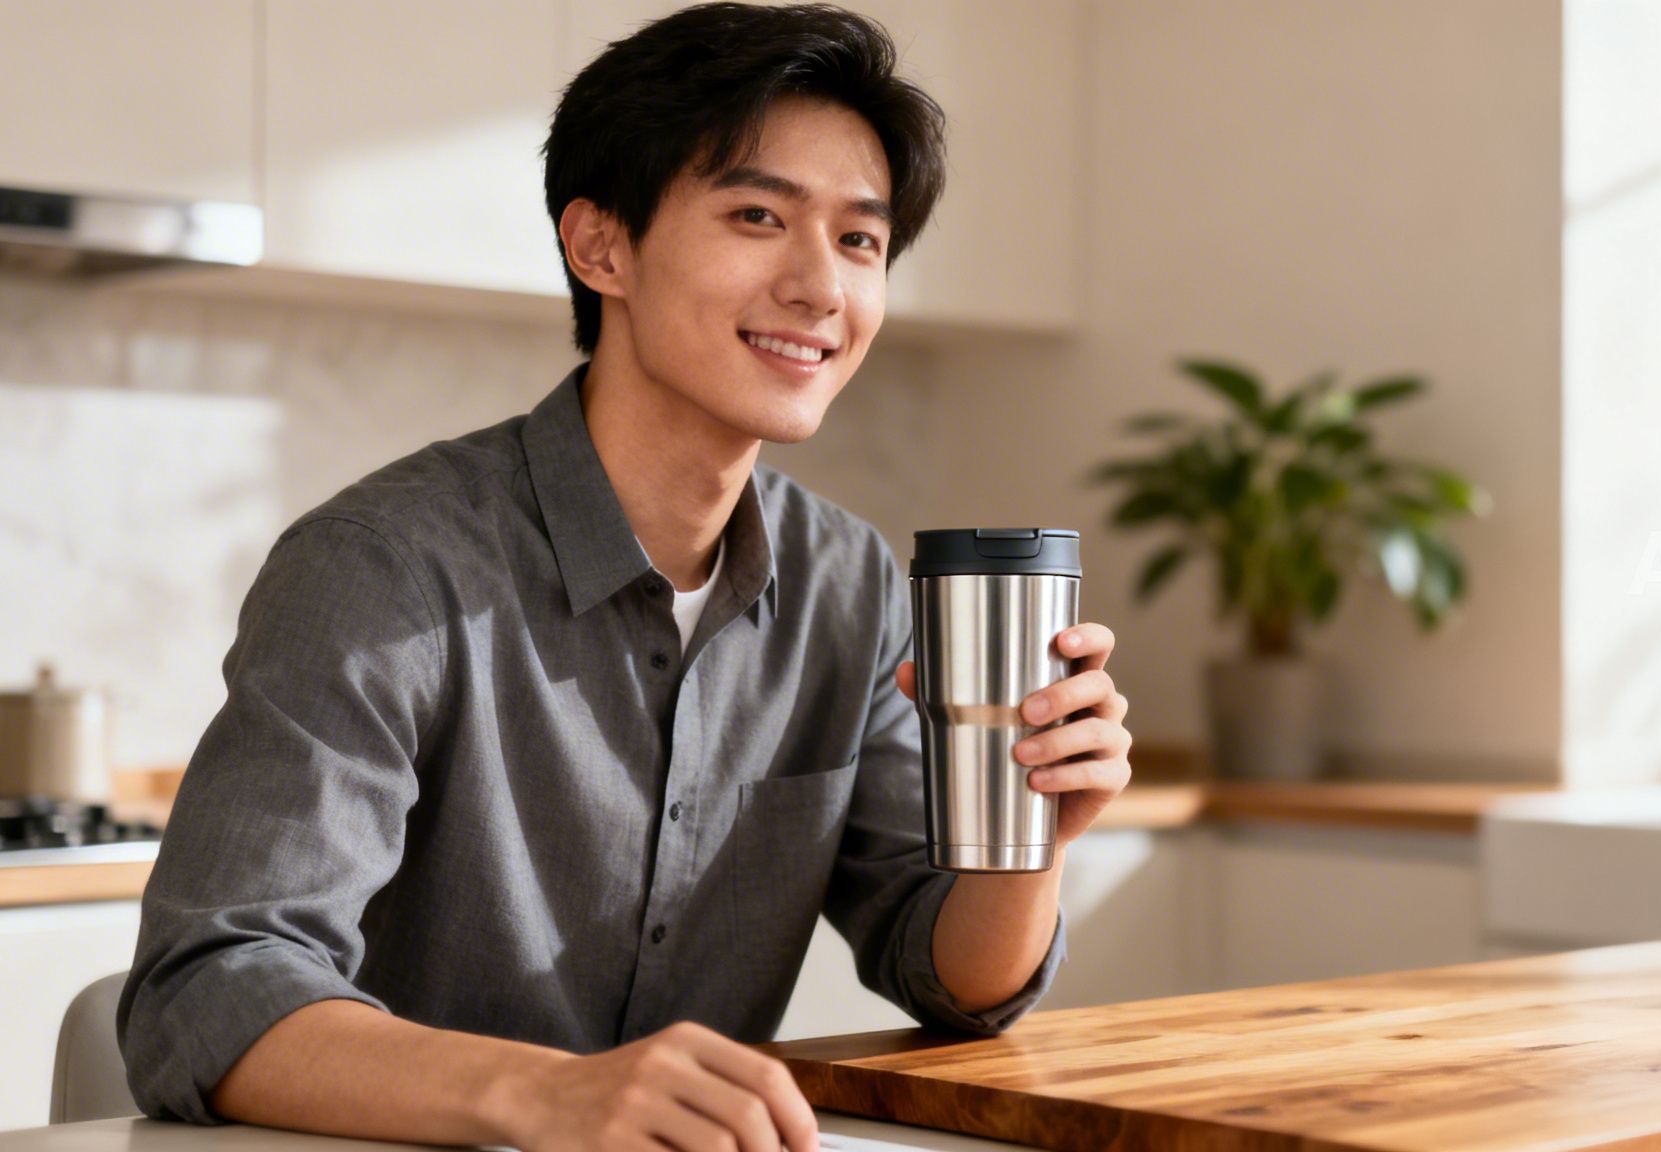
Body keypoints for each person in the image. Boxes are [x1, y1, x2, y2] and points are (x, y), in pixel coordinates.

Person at [114, 5, 1133, 1151]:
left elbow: (947, 976)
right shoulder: (387, 566)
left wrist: (1029, 839)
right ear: (600, 247)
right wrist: (551, 1094)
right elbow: (204, 992)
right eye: (757, 216)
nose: (820, 287)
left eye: (859, 240)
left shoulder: (845, 581)